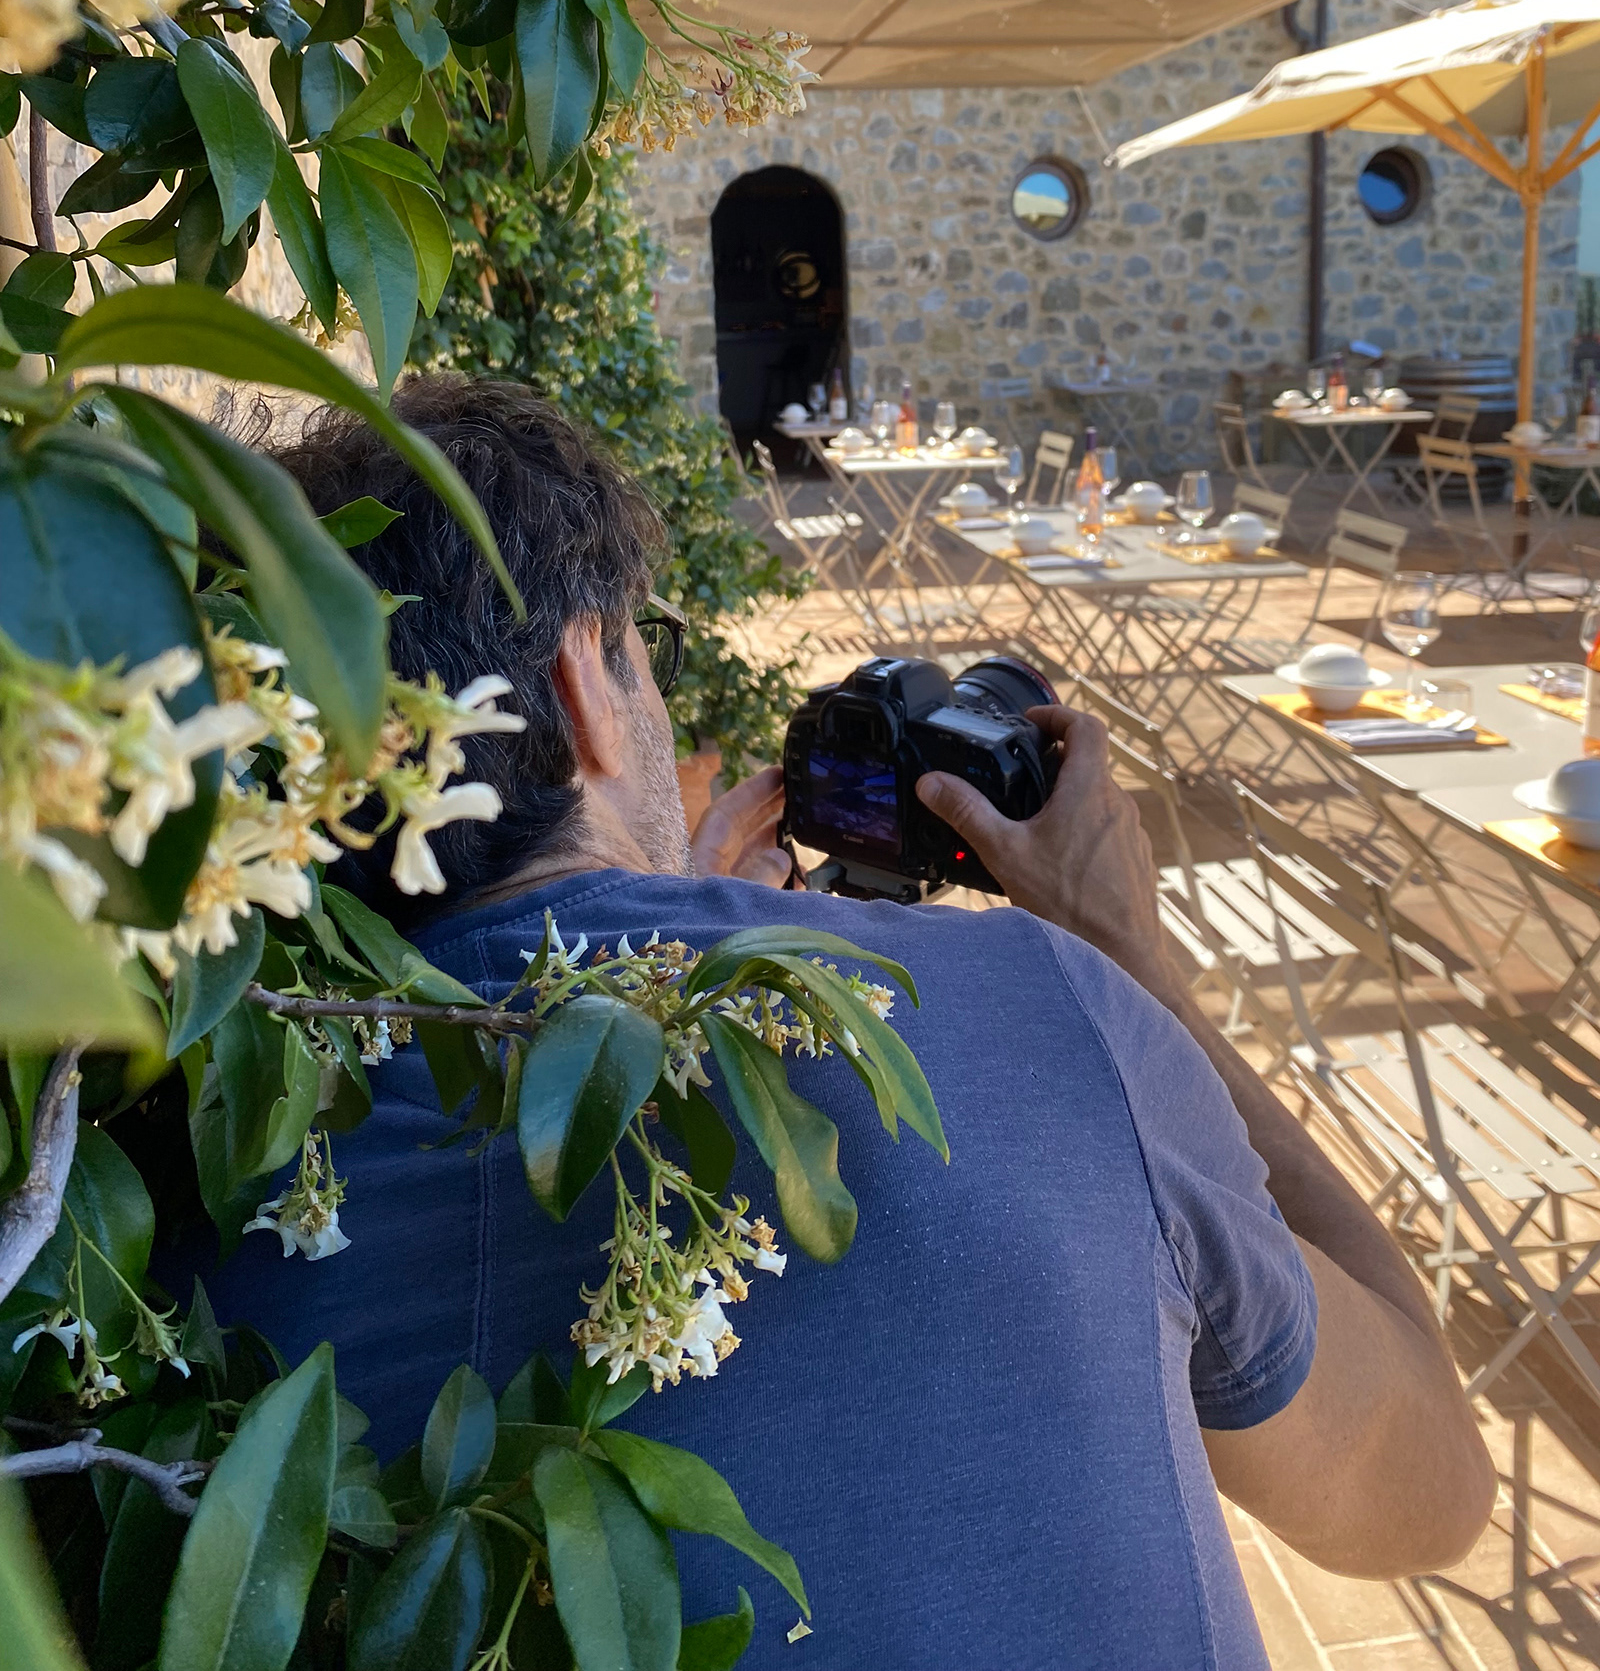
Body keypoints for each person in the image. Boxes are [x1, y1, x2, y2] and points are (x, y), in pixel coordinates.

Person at [215, 374, 1493, 1671]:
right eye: (649, 661)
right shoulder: (1040, 1014)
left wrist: (657, 936)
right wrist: (1137, 965)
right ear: (586, 681)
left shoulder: (218, 1163)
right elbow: (1427, 1489)